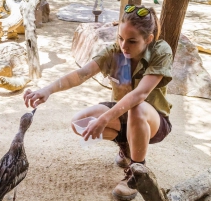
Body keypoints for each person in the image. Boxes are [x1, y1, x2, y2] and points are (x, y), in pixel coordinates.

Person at [24, 4, 173, 201]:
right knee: (80, 122)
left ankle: (138, 174)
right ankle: (127, 148)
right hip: (124, 116)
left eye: (132, 41)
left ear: (149, 39)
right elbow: (81, 74)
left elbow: (140, 94)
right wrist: (47, 90)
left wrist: (104, 119)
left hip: (153, 121)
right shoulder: (115, 52)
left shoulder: (161, 50)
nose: (124, 46)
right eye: (120, 38)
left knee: (136, 108)